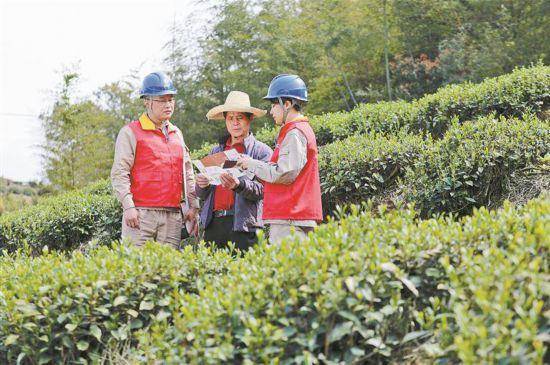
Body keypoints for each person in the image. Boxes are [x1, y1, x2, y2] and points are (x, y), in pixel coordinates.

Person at [110, 71, 199, 248]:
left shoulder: (177, 134)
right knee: (136, 270)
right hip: (140, 215)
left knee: (167, 273)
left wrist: (193, 206)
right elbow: (120, 173)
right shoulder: (130, 132)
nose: (168, 105)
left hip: (173, 216)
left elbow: (187, 172)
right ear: (147, 101)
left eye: (171, 99)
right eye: (162, 100)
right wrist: (128, 207)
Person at [237, 74, 322, 244]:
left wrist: (251, 164)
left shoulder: (295, 133)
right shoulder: (296, 131)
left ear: (287, 104)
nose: (271, 111)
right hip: (292, 217)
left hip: (291, 218)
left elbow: (284, 173)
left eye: (274, 104)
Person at [196, 91, 272, 250]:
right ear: (225, 120)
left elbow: (264, 190)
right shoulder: (216, 151)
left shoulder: (261, 152)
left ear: (249, 118)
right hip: (214, 225)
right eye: (230, 118)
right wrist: (202, 185)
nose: (235, 123)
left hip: (244, 227)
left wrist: (239, 185)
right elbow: (203, 195)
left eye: (239, 118)